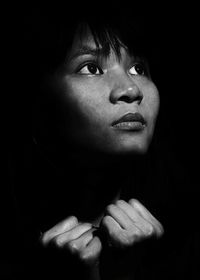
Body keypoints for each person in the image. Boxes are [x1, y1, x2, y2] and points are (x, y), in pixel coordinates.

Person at [4, 4, 199, 280]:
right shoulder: (9, 240)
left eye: (138, 67)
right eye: (91, 67)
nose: (131, 90)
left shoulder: (185, 228)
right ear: (39, 103)